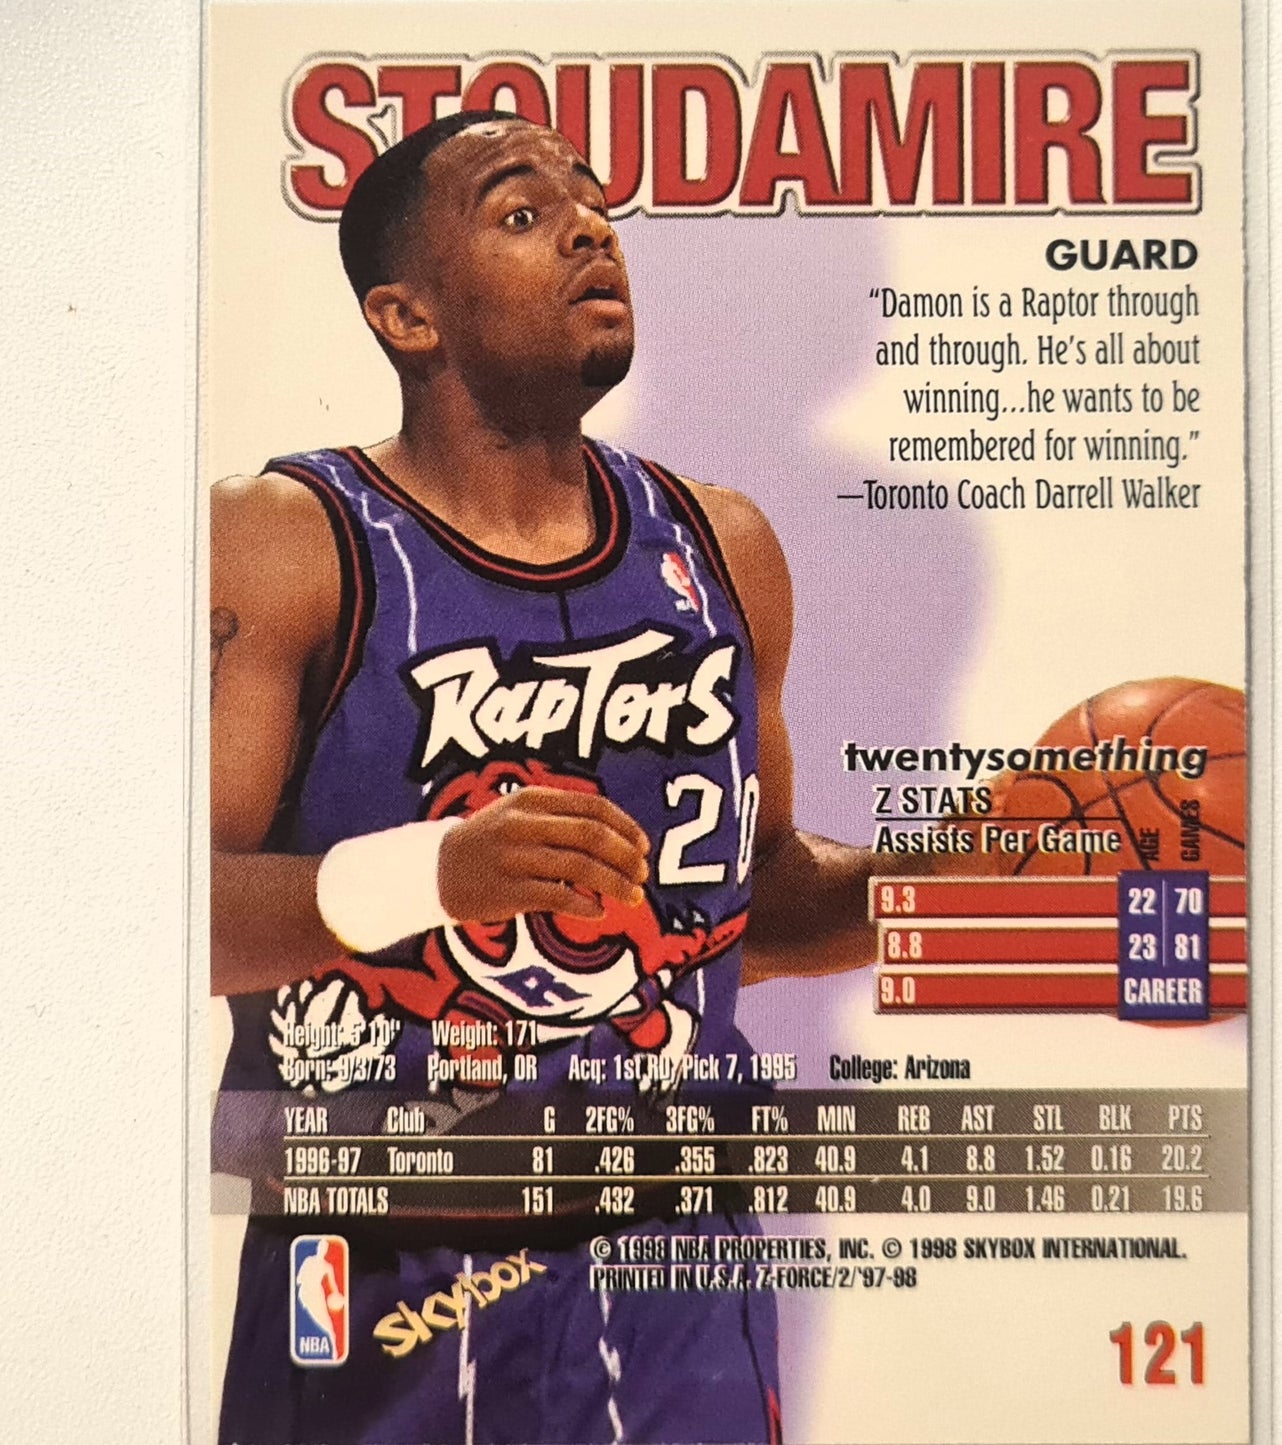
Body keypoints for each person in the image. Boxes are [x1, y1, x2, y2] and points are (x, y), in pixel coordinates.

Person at [211, 109, 912, 1445]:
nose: (592, 227)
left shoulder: (723, 544)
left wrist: (974, 870)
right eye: (524, 212)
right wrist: (434, 874)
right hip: (385, 1261)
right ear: (406, 317)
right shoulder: (285, 541)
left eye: (595, 202)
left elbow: (746, 909)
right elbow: (160, 919)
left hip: (675, 1275)